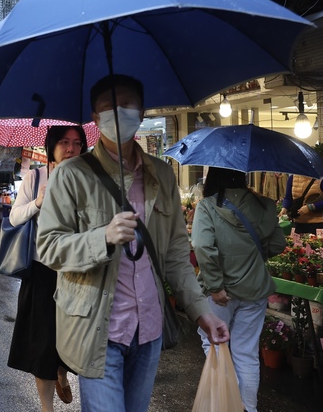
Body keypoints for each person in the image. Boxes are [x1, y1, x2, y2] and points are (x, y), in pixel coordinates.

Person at [37, 74, 229, 412]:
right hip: (97, 330)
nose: (118, 113)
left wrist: (202, 312)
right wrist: (103, 238)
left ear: (141, 113)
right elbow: (49, 247)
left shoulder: (162, 175)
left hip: (149, 329)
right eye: (108, 108)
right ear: (95, 120)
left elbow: (174, 257)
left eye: (127, 105)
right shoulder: (71, 175)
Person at [191, 167, 287, 412]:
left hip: (219, 293)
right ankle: (248, 408)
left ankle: (226, 403)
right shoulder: (264, 204)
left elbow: (202, 246)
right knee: (246, 352)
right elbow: (277, 243)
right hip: (255, 288)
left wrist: (214, 286)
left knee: (214, 343)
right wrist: (252, 257)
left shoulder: (208, 206)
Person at [8, 125, 88, 412]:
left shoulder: (87, 178)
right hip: (43, 272)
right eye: (65, 142)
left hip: (77, 272)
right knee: (43, 344)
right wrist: (38, 202)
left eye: (77, 143)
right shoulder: (36, 176)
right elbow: (15, 217)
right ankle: (46, 407)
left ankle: (62, 373)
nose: (71, 148)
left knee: (72, 338)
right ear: (51, 146)